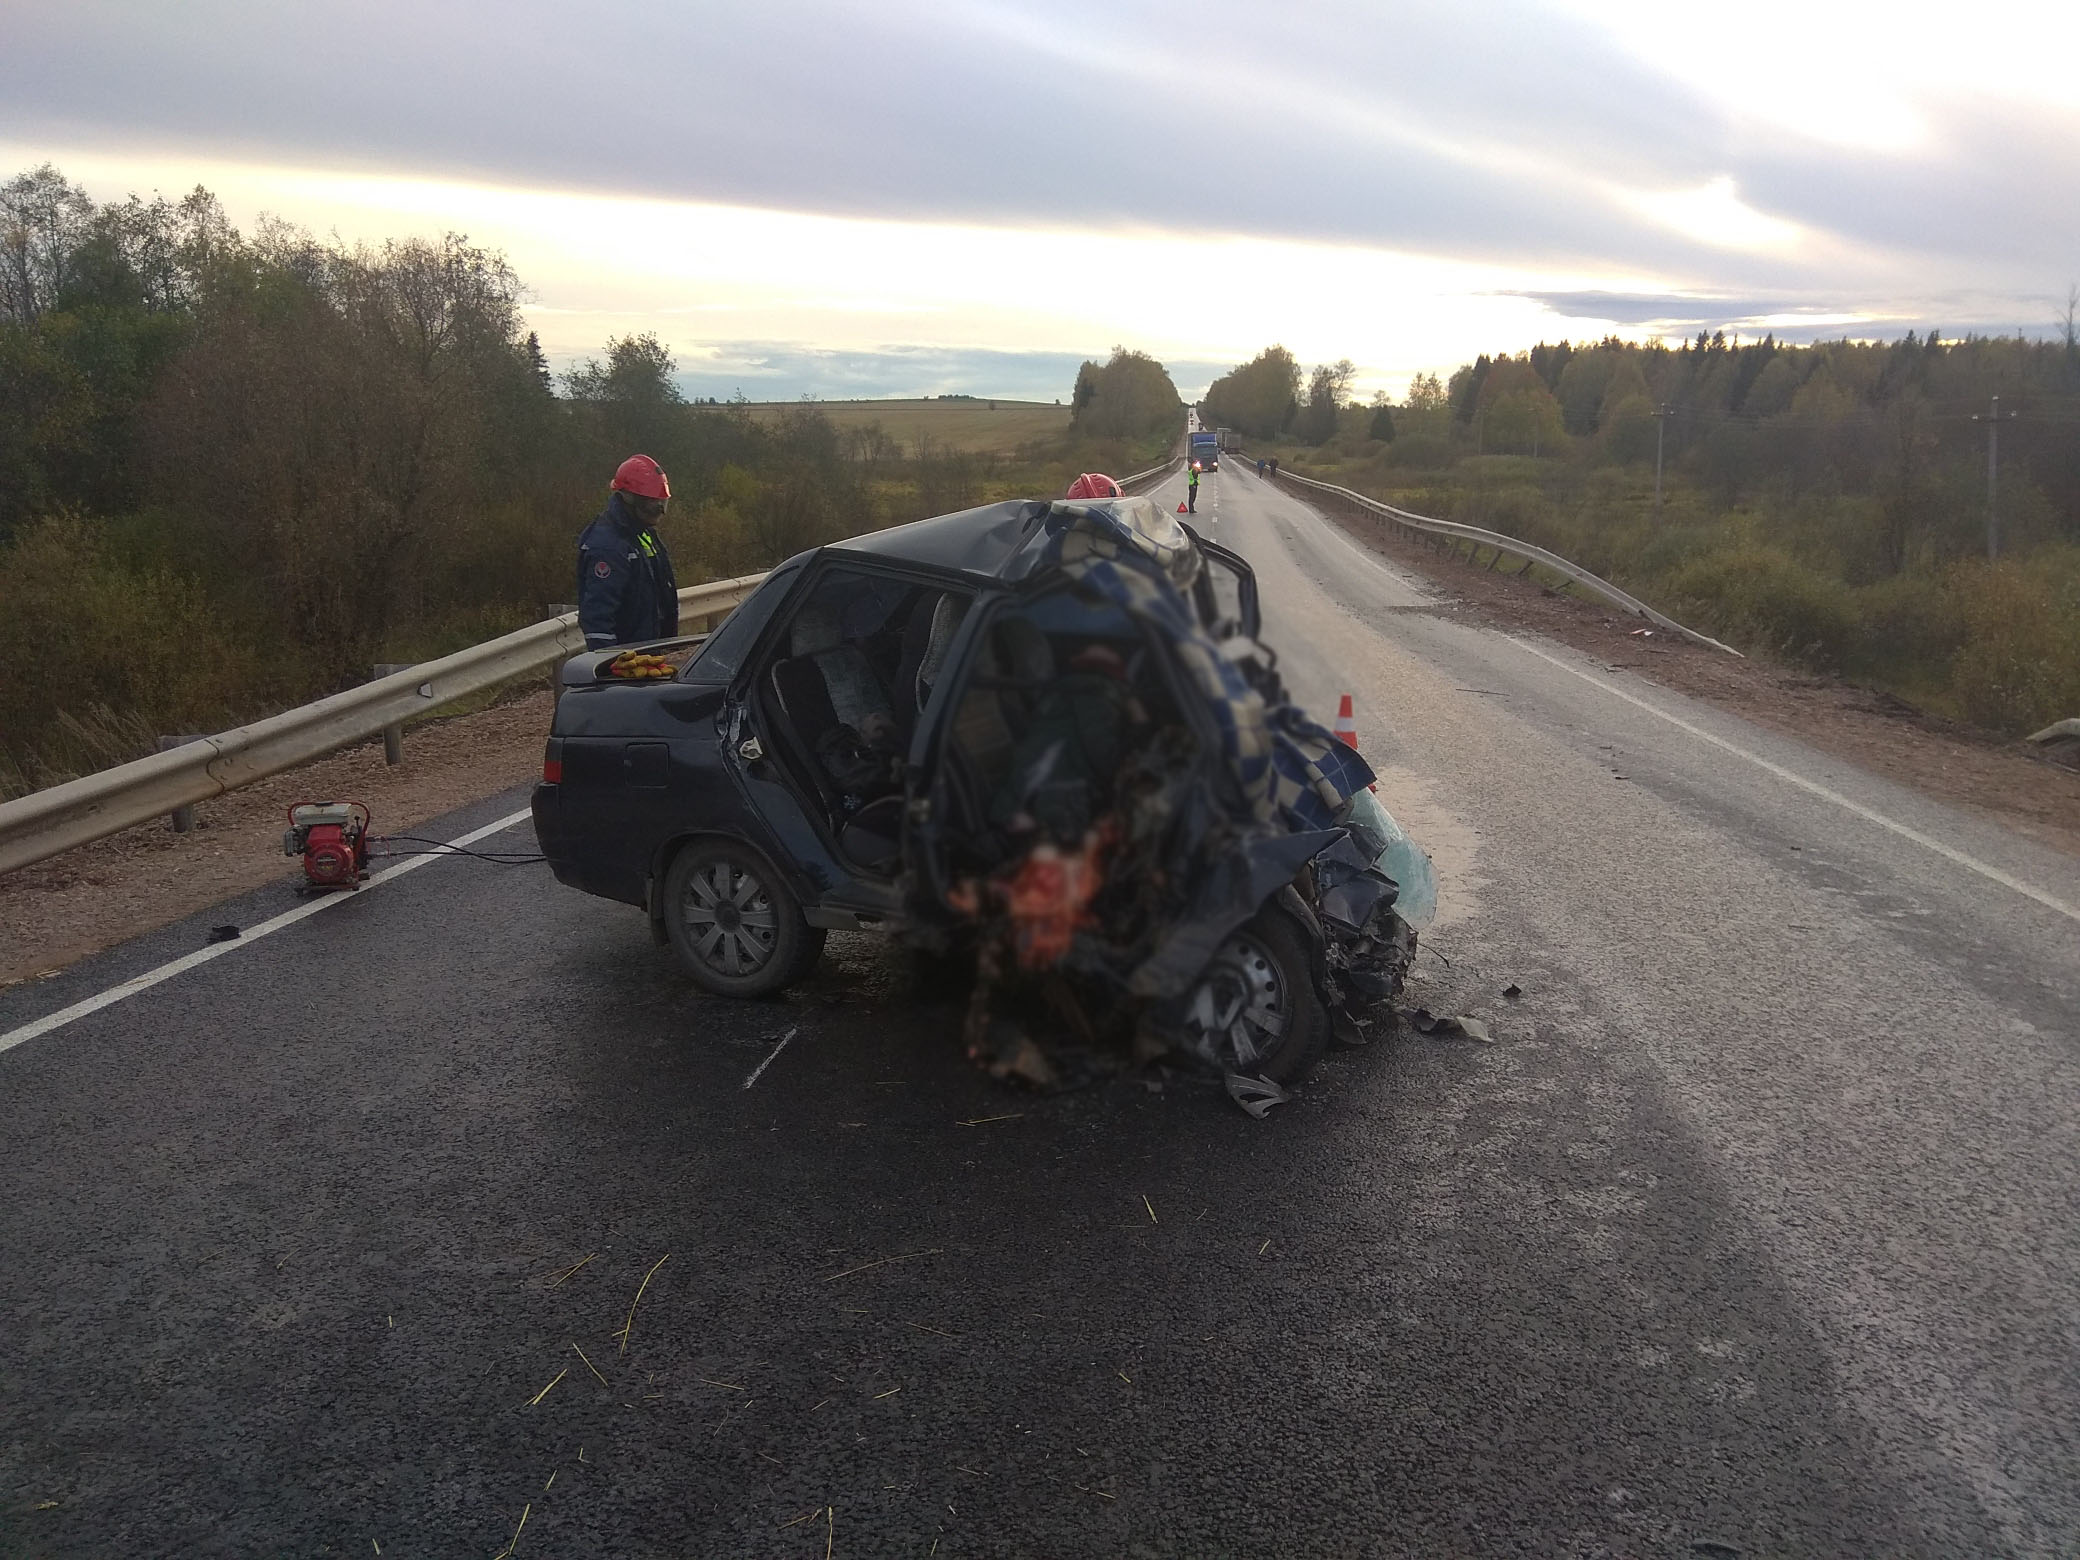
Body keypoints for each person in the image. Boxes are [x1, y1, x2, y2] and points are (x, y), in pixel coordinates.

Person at [577, 454, 680, 650]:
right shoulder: (608, 546)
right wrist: (609, 665)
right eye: (652, 504)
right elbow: (598, 617)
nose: (659, 511)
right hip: (626, 664)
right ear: (629, 499)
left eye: (662, 503)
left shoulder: (642, 534)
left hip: (648, 653)